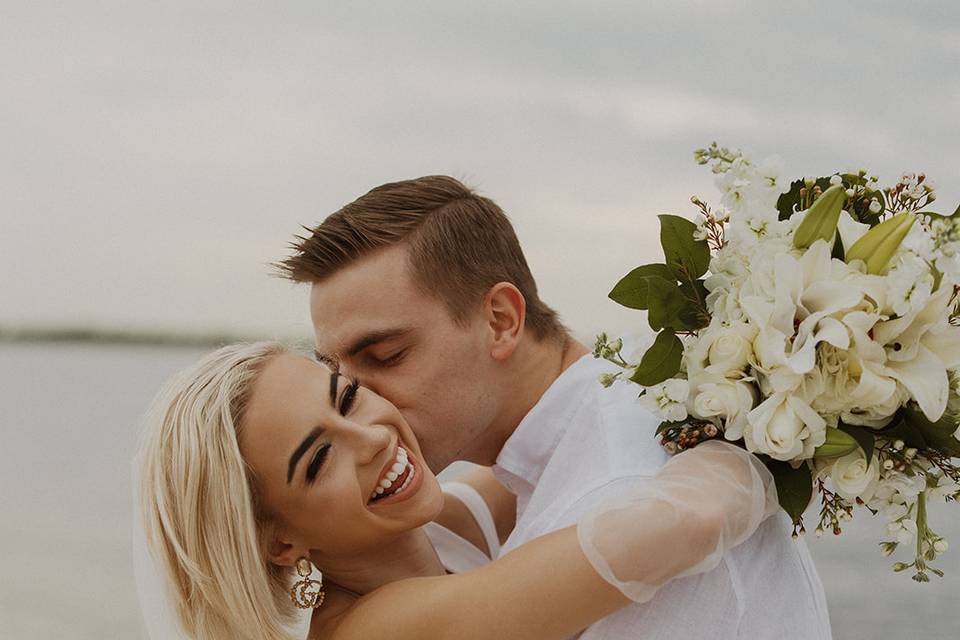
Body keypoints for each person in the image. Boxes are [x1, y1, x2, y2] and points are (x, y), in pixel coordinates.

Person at [277, 175, 832, 639]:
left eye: (386, 355)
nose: (365, 406)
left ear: (500, 321)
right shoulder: (619, 403)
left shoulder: (612, 502)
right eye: (339, 376)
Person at [136, 342, 777, 640]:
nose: (373, 438)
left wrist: (738, 346)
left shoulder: (438, 533)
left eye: (349, 397)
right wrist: (788, 420)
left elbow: (538, 432)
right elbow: (685, 522)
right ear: (280, 539)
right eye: (319, 458)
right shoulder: (372, 632)